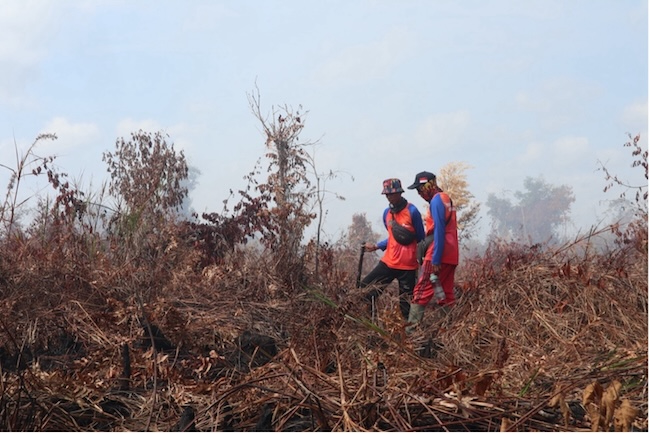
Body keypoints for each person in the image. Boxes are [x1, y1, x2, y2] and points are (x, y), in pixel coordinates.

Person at [360, 178, 425, 321]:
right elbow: (393, 237)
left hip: (407, 267)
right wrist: (377, 246)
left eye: (392, 193)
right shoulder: (386, 214)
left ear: (400, 193)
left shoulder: (412, 211)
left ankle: (410, 336)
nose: (389, 197)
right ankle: (372, 325)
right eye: (387, 195)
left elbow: (420, 237)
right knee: (365, 290)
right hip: (388, 263)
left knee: (405, 305)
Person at [406, 171, 459, 330]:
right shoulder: (446, 198)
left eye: (420, 189)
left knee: (421, 291)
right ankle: (452, 332)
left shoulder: (436, 201)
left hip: (438, 254)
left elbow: (439, 230)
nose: (419, 194)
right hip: (451, 254)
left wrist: (435, 259)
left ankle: (410, 333)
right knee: (445, 294)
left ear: (428, 186)